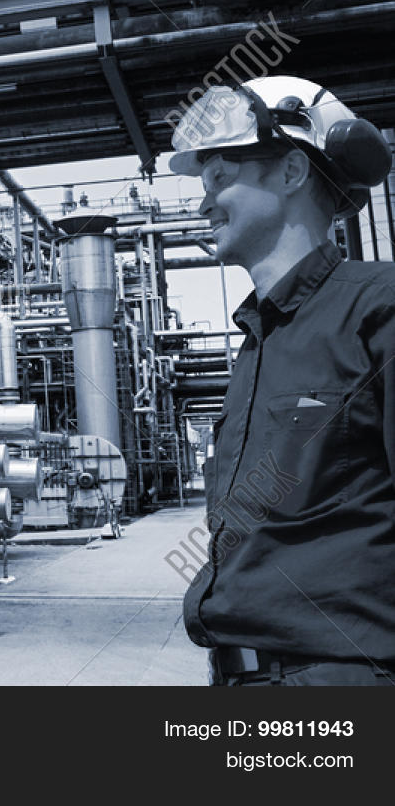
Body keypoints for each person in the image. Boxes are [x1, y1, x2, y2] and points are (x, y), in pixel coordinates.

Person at [169, 75, 395, 686]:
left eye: (220, 178)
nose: (203, 202)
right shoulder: (260, 342)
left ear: (292, 172)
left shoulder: (378, 307)